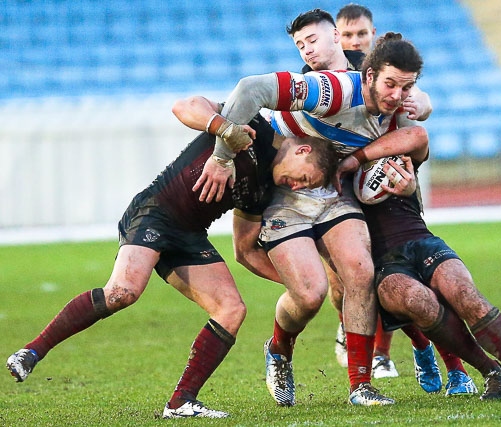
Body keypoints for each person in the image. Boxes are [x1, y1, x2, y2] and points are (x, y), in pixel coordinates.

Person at [5, 104, 338, 418]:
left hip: (189, 235)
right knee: (122, 292)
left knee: (231, 309)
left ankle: (181, 402)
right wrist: (223, 127)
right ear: (303, 149)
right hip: (155, 213)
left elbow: (246, 250)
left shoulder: (263, 190)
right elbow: (185, 105)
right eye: (304, 179)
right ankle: (31, 352)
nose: (295, 186)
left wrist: (295, 283)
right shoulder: (252, 125)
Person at [193, 30, 430, 407]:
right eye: (391, 86)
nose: (398, 96)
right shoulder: (333, 90)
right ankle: (279, 350)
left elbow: (418, 129)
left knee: (359, 272)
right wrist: (221, 156)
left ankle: (361, 385)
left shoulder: (397, 103)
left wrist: (420, 104)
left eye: (406, 89)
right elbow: (251, 88)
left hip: (334, 193)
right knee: (308, 295)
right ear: (368, 76)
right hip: (287, 193)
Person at [294, 8, 475, 395]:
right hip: (346, 196)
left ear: (371, 35)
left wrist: (422, 106)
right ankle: (414, 346)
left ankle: (450, 364)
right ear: (335, 37)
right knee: (371, 282)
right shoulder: (311, 85)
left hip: (391, 186)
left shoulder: (379, 72)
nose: (355, 42)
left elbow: (418, 103)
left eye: (361, 34)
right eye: (347, 35)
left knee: (413, 277)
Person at [351, 145, 501, 401]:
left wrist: (358, 158)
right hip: (384, 261)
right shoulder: (330, 154)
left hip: (423, 240)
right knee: (416, 301)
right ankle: (491, 372)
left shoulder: (393, 137)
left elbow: (419, 136)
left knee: (464, 293)